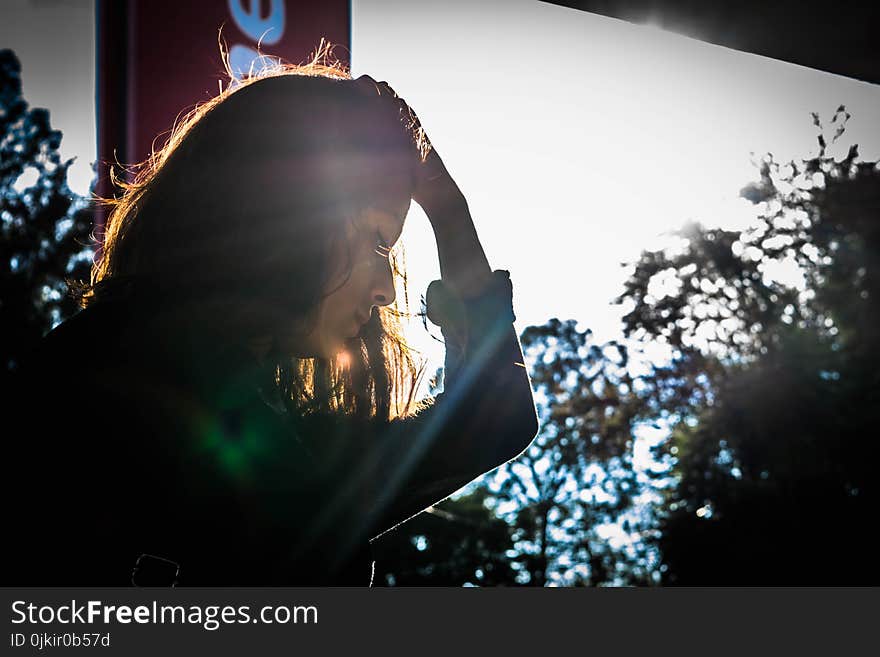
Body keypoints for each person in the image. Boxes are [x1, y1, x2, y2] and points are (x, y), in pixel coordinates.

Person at [2, 47, 538, 586]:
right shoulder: (115, 380)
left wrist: (447, 205)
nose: (384, 292)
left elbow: (497, 420)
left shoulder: (269, 423)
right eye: (377, 243)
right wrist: (446, 207)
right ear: (290, 212)